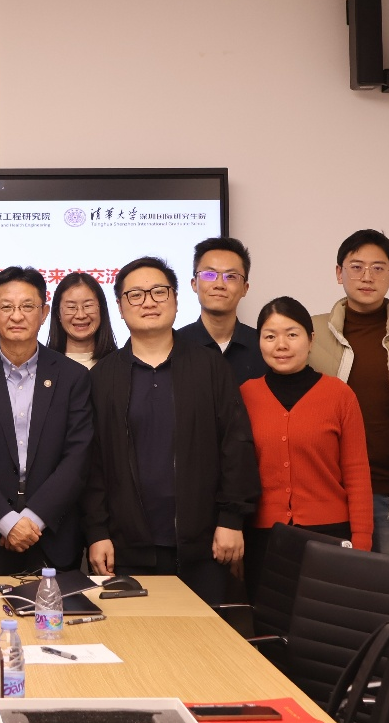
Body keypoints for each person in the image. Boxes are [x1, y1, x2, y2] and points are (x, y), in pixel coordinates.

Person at [82, 256, 259, 605]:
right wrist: (96, 532)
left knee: (204, 638)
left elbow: (236, 444)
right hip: (126, 549)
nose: (148, 302)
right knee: (137, 639)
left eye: (159, 292)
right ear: (120, 307)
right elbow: (93, 464)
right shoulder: (103, 377)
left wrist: (231, 519)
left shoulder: (210, 366)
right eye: (135, 295)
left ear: (176, 299)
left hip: (205, 545)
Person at [0, 266, 93, 574]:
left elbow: (78, 457)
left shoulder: (73, 377)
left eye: (27, 306)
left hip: (52, 537)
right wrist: (7, 521)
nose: (17, 316)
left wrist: (32, 519)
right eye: (6, 307)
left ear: (44, 313)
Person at [307, 229, 389, 557]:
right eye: (356, 267)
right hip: (331, 491)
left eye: (378, 268)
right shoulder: (312, 332)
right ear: (339, 272)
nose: (367, 277)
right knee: (333, 585)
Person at [240, 296, 373, 594]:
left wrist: (361, 542)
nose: (281, 345)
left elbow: (357, 473)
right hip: (264, 537)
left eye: (292, 334)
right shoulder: (245, 395)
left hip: (330, 536)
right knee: (269, 619)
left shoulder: (339, 396)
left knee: (327, 619)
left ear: (311, 340)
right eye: (270, 336)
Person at [177, 237, 267, 386]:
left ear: (245, 288)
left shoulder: (264, 346)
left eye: (230, 276)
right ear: (194, 284)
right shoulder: (174, 346)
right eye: (209, 274)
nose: (219, 284)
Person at [45, 271, 117, 369]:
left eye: (88, 306)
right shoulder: (43, 365)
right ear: (58, 314)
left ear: (101, 310)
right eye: (71, 307)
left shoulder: (118, 363)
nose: (81, 315)